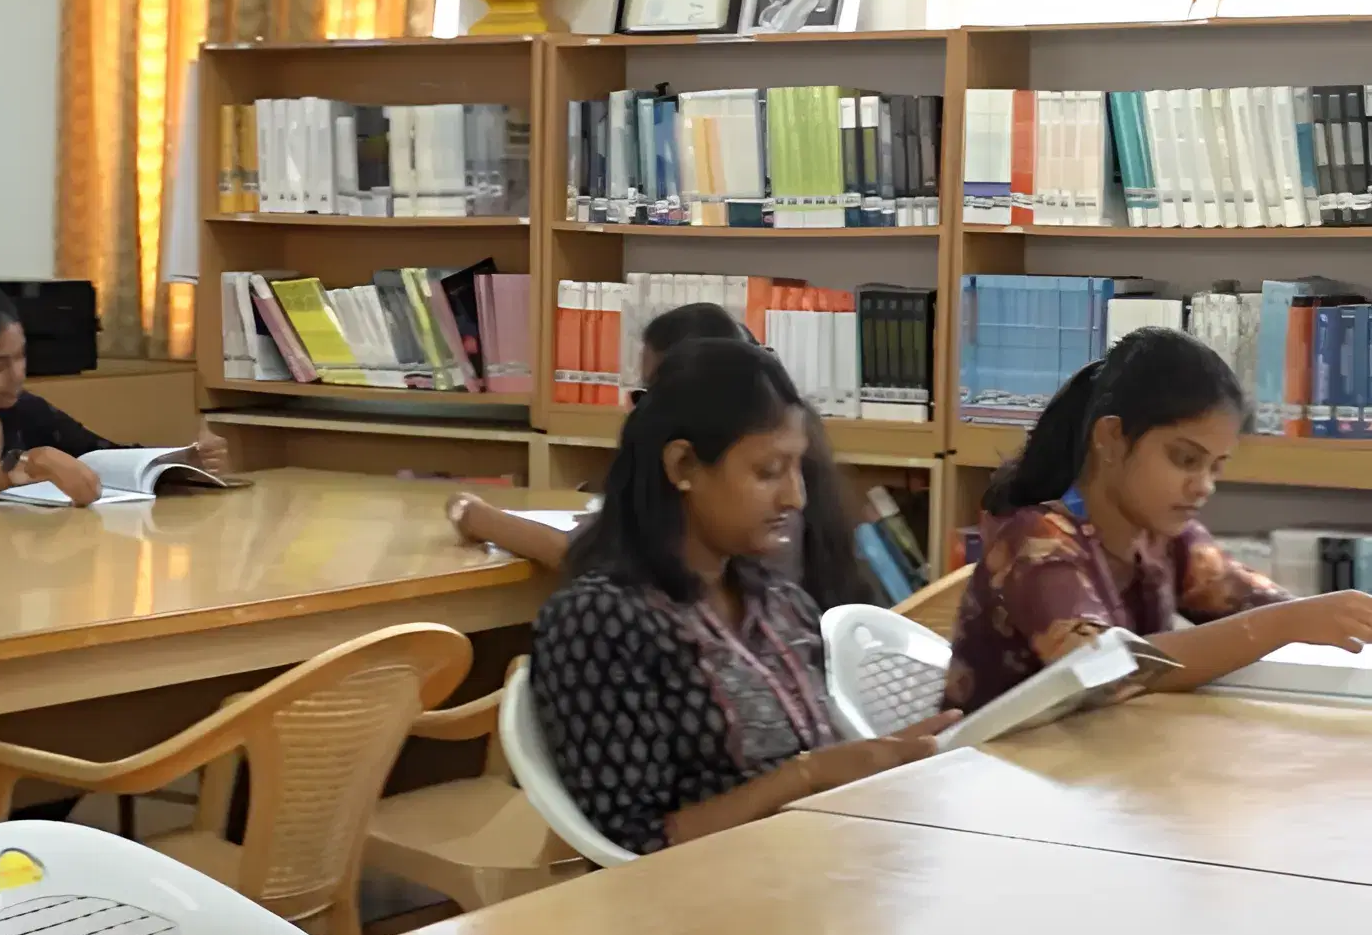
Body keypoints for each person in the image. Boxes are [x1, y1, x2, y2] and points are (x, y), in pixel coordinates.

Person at [529, 339, 949, 855]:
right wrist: (808, 776)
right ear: (682, 466)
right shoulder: (599, 621)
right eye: (768, 472)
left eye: (798, 469)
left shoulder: (779, 601)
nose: (795, 497)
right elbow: (637, 846)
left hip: (815, 871)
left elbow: (821, 760)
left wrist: (894, 758)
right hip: (701, 905)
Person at [945, 326, 1372, 711]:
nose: (1203, 485)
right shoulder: (1035, 541)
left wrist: (1327, 616)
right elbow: (1107, 671)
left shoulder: (1168, 538)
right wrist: (1286, 624)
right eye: (1185, 459)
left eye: (1215, 466)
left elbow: (1266, 605)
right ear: (1111, 438)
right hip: (984, 775)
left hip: (1090, 767)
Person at [450, 304, 876, 611]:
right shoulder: (791, 456)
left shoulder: (742, 530)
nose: (792, 496)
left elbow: (587, 554)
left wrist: (476, 515)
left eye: (652, 393)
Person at [0, 282, 231, 504]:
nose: (18, 375)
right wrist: (22, 468)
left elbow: (101, 456)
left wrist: (182, 461)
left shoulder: (25, 411)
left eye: (22, 356)